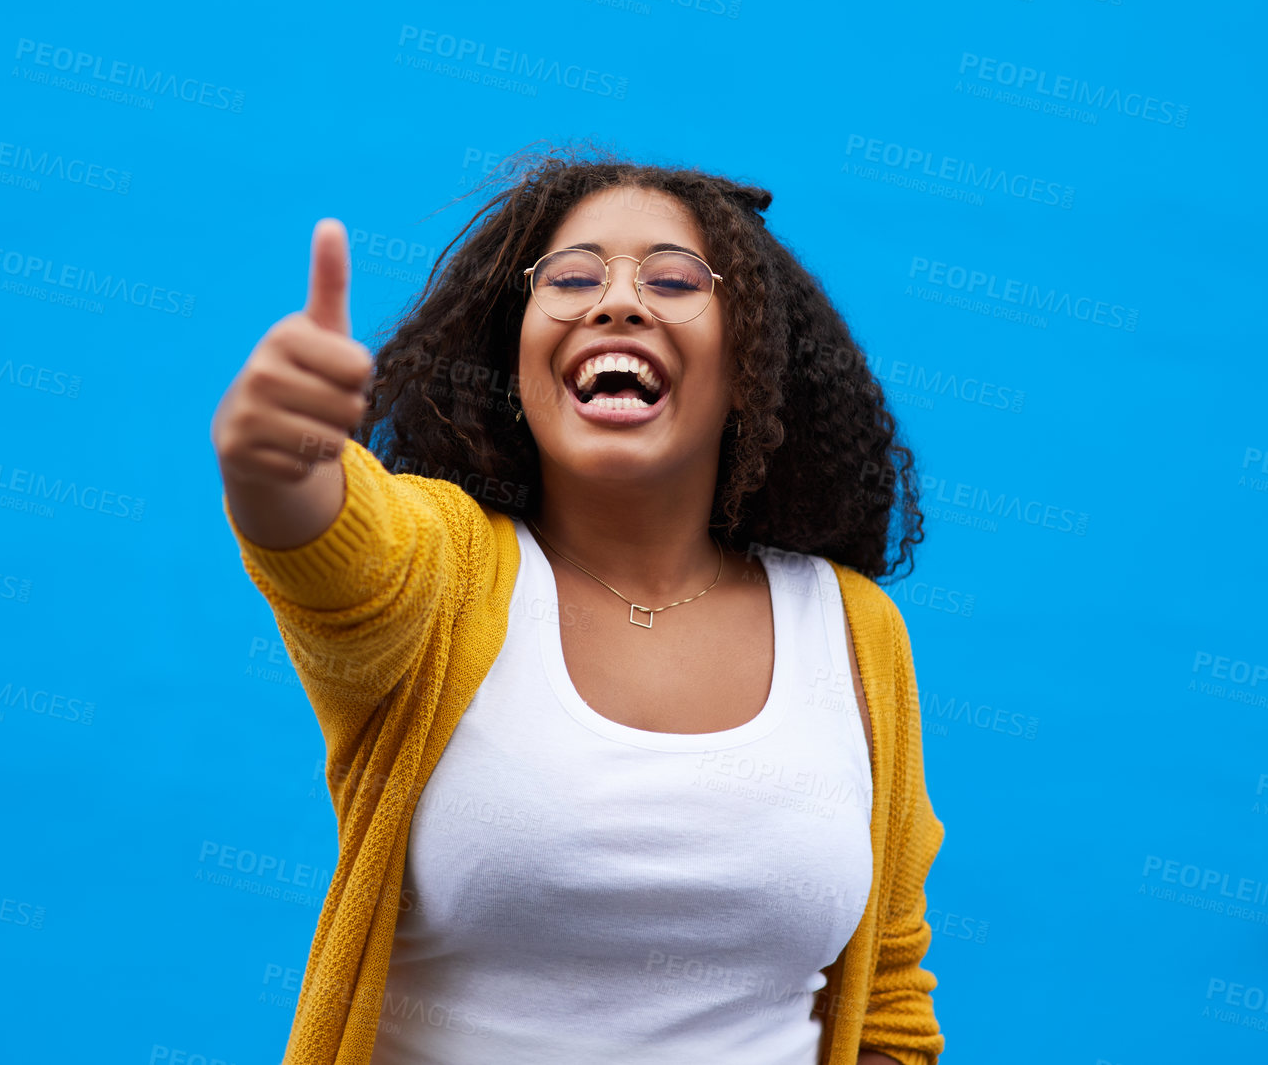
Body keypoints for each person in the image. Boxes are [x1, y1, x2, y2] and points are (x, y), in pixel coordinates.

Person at [211, 147, 944, 1065]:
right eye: (571, 276)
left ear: (751, 361)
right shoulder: (449, 573)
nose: (618, 300)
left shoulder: (851, 628)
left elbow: (884, 1003)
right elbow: (335, 549)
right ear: (513, 354)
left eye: (674, 279)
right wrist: (278, 462)